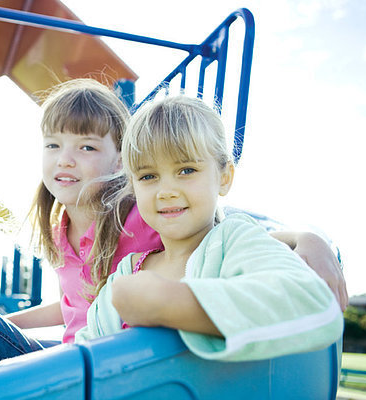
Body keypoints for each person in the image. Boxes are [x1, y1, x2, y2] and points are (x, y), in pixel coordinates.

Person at [0, 79, 346, 385]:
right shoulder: (106, 257)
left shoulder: (154, 224)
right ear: (137, 178)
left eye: (86, 146)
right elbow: (79, 312)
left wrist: (310, 238)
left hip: (131, 369)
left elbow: (241, 236)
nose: (166, 190)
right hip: (86, 363)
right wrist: (3, 325)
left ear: (118, 164)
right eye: (53, 145)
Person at [75, 96, 343, 361]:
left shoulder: (233, 242)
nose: (166, 191)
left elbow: (313, 305)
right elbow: (84, 354)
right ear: (133, 187)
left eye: (187, 170)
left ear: (224, 177)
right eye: (148, 176)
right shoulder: (127, 272)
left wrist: (169, 303)